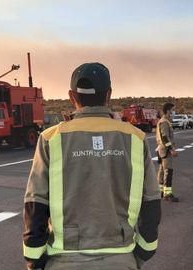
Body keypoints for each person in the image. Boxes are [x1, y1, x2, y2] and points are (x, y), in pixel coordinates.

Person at [23, 63, 161, 270]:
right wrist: (141, 254)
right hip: (121, 257)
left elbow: (36, 204)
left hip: (64, 259)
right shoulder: (135, 138)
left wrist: (35, 259)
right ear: (109, 95)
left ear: (71, 96)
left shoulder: (50, 138)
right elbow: (151, 203)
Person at [156, 102, 179, 202]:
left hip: (161, 149)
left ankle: (160, 192)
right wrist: (172, 149)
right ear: (168, 110)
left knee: (162, 171)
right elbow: (165, 137)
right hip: (165, 150)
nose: (173, 112)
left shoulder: (163, 121)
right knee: (168, 171)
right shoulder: (164, 122)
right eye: (172, 110)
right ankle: (167, 194)